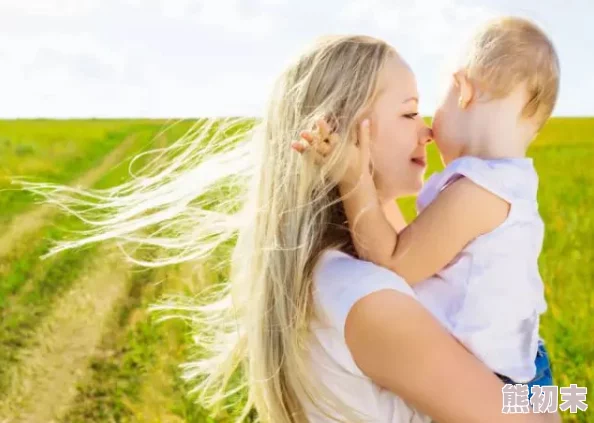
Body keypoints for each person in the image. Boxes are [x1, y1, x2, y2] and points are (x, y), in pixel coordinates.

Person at [16, 34, 558, 422]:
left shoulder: (327, 270)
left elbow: (394, 245)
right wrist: (551, 393)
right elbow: (524, 417)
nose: (428, 132)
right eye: (409, 112)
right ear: (346, 133)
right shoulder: (370, 300)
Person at [296, 17, 560, 398]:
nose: (429, 131)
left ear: (463, 91)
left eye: (429, 107)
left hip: (499, 382)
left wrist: (354, 177)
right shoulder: (509, 183)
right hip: (519, 366)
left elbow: (394, 259)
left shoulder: (477, 192)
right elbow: (409, 246)